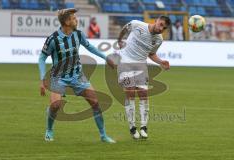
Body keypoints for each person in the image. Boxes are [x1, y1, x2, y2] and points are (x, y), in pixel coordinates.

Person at [38, 8, 115, 143]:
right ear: (67, 22)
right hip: (58, 77)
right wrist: (42, 78)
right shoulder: (53, 39)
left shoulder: (78, 34)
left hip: (77, 76)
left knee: (95, 103)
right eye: (74, 18)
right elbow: (42, 58)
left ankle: (103, 136)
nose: (76, 20)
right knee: (55, 106)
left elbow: (89, 46)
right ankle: (49, 130)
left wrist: (105, 57)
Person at [116, 15, 171, 139]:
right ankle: (132, 127)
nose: (161, 28)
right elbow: (125, 29)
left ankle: (144, 127)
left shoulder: (159, 39)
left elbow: (151, 54)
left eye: (164, 27)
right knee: (130, 93)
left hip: (141, 65)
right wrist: (119, 40)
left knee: (143, 95)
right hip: (126, 62)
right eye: (160, 24)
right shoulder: (137, 24)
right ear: (156, 21)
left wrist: (161, 62)